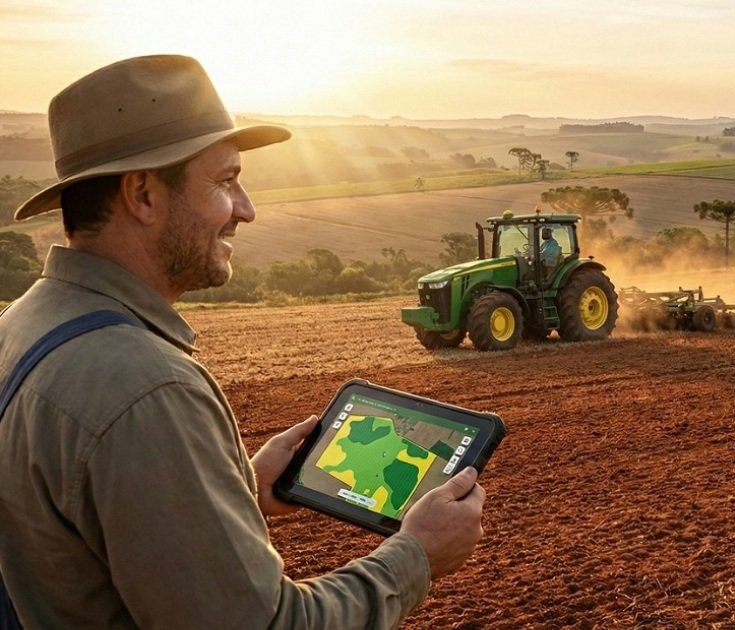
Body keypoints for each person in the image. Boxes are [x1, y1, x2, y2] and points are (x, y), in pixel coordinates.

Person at [0, 55, 486, 628]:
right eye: (225, 181)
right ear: (143, 195)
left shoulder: (23, 325)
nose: (247, 210)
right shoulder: (147, 388)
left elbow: (71, 533)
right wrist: (416, 556)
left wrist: (236, 488)